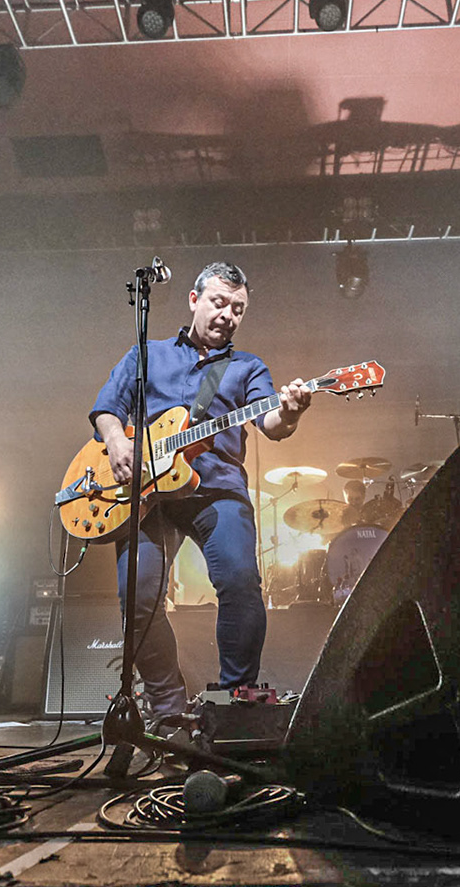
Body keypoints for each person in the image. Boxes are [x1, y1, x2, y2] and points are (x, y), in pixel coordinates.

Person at [89, 261, 312, 718]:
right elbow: (108, 409)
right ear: (194, 300)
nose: (227, 314)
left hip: (216, 489)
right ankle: (167, 707)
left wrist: (289, 412)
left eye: (238, 309)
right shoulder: (146, 354)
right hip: (147, 493)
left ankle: (232, 705)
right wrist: (116, 442)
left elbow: (270, 423)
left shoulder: (248, 367)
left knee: (239, 582)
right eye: (218, 302)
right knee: (138, 599)